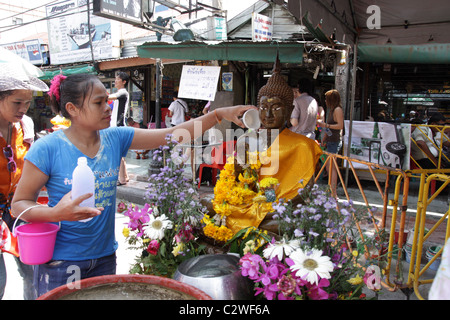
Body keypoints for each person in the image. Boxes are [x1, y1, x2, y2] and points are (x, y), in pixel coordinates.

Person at [10, 73, 254, 298]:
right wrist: (56, 214)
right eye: (98, 103)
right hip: (62, 262)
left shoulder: (116, 137)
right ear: (72, 109)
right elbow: (18, 205)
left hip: (104, 257)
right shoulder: (47, 148)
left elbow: (174, 133)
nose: (108, 108)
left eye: (107, 100)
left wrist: (219, 114)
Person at [224, 58, 323, 234]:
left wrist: (275, 207)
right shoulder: (246, 141)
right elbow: (238, 183)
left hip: (278, 208)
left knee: (282, 225)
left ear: (289, 110)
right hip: (250, 203)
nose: (268, 114)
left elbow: (303, 192)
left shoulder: (302, 145)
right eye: (263, 107)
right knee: (206, 204)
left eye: (276, 108)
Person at [0, 67, 49, 300]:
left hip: (18, 206)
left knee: (32, 269)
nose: (23, 109)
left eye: (27, 103)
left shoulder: (24, 126)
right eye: (17, 102)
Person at [317, 89, 344, 198]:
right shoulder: (331, 110)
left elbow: (340, 126)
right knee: (329, 167)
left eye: (326, 99)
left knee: (332, 167)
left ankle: (333, 192)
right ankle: (331, 190)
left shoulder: (337, 110)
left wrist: (325, 126)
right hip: (330, 140)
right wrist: (325, 137)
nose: (325, 101)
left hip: (335, 140)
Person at [109, 71, 130, 185]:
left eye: (117, 79)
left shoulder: (123, 92)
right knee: (120, 155)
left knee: (118, 155)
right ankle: (124, 177)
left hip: (119, 127)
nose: (115, 81)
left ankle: (121, 179)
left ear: (124, 82)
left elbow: (110, 97)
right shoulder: (121, 93)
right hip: (118, 127)